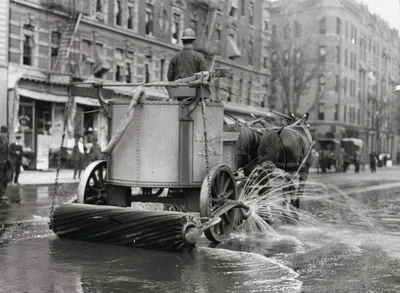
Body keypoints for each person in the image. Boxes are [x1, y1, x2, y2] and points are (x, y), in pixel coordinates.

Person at [0, 126, 12, 198]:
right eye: (4, 132)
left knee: (6, 178)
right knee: (1, 178)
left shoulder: (5, 140)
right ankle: (1, 195)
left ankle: (2, 193)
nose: (5, 134)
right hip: (1, 162)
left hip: (6, 162)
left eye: (6, 133)